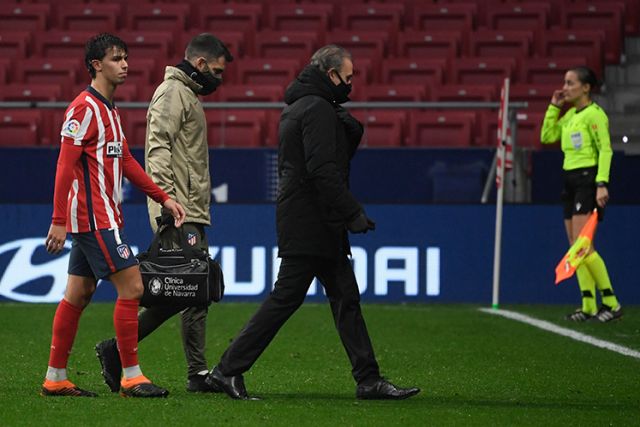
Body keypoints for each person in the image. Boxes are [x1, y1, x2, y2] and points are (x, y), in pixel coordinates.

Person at [205, 45, 420, 400]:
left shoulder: (301, 106)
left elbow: (322, 162)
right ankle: (227, 370)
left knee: (344, 297)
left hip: (313, 217)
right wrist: (351, 212)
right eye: (347, 78)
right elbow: (323, 170)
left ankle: (368, 379)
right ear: (331, 75)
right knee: (288, 298)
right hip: (312, 219)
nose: (350, 85)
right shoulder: (318, 109)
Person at [41, 33, 186, 398]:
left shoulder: (110, 110)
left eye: (126, 58)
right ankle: (131, 377)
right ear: (96, 64)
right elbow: (63, 166)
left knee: (78, 293)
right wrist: (59, 219)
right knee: (133, 287)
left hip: (101, 216)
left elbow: (125, 160)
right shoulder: (84, 108)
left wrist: (163, 197)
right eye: (116, 58)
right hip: (94, 218)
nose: (125, 64)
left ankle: (55, 377)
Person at [95, 34, 233, 394]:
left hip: (191, 208)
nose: (219, 78)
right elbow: (157, 150)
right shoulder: (173, 93)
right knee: (185, 289)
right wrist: (165, 205)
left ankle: (197, 373)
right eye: (216, 71)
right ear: (200, 64)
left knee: (195, 290)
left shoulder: (186, 94)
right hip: (179, 209)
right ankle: (119, 350)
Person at [541, 66, 622, 322]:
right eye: (564, 82)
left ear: (586, 87)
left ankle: (611, 302)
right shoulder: (569, 116)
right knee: (574, 247)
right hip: (570, 180)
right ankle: (588, 305)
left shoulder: (594, 115)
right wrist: (554, 107)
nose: (565, 88)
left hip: (588, 179)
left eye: (570, 83)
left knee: (583, 246)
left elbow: (606, 150)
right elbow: (547, 136)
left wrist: (601, 183)